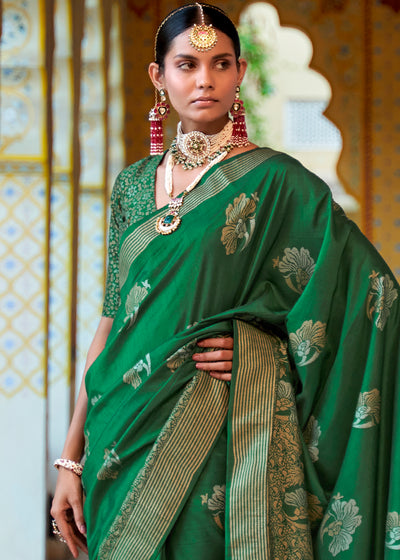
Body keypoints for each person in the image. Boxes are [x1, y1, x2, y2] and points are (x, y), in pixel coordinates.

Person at [51, 3, 400, 559]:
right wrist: (72, 458)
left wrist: (267, 350)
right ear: (159, 76)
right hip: (118, 431)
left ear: (240, 73)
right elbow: (112, 321)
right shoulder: (133, 186)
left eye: (220, 64)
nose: (204, 80)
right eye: (186, 64)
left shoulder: (279, 182)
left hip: (216, 427)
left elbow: (372, 294)